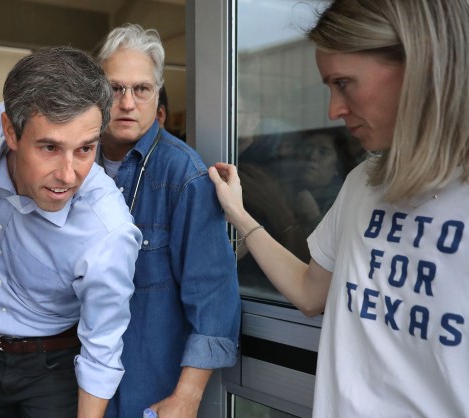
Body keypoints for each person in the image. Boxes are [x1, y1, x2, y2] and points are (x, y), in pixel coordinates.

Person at [209, 0, 469, 416]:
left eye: (344, 83)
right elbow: (312, 293)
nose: (333, 110)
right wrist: (239, 213)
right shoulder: (363, 184)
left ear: (419, 66)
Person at [0, 46, 142, 418]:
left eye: (86, 149)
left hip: (52, 371)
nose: (68, 175)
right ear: (10, 131)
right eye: (49, 147)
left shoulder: (109, 232)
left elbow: (101, 351)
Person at [95, 24, 240, 418]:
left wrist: (188, 397)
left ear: (156, 94)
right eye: (115, 88)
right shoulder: (75, 166)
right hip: (72, 387)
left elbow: (213, 298)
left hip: (145, 392)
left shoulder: (184, 174)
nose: (127, 102)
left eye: (141, 89)